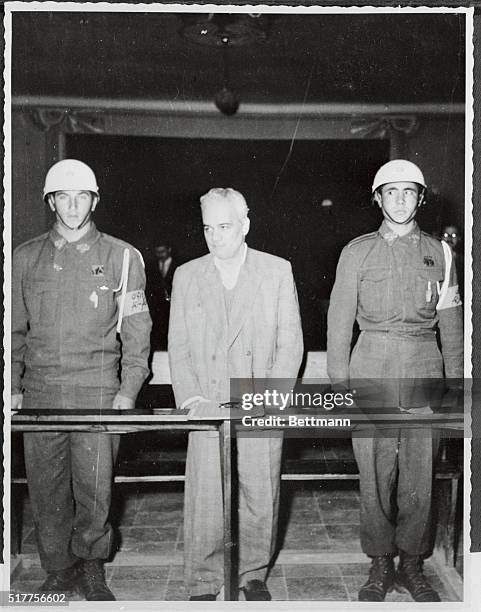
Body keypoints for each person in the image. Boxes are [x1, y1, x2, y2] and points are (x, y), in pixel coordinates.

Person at [11, 159, 152, 600]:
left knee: (94, 488)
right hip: (40, 394)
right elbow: (12, 329)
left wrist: (129, 390)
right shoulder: (24, 257)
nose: (73, 206)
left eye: (82, 197)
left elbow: (137, 330)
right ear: (51, 201)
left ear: (94, 200)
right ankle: (58, 567)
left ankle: (92, 565)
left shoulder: (122, 256)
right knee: (46, 488)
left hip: (97, 391)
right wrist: (13, 387)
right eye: (63, 197)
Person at [327, 160, 463, 602]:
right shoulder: (356, 252)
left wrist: (457, 384)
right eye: (391, 192)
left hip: (424, 365)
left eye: (409, 192)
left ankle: (412, 563)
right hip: (371, 365)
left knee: (420, 472)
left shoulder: (440, 252)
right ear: (377, 198)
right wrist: (339, 382)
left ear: (421, 198)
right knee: (375, 471)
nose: (401, 200)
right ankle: (380, 562)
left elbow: (452, 324)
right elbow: (338, 322)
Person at [168, 187, 303, 601]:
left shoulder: (276, 270)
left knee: (260, 491)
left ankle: (252, 574)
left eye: (224, 227)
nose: (215, 237)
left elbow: (291, 342)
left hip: (259, 399)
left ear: (245, 225)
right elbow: (179, 345)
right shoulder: (188, 274)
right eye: (208, 228)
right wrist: (191, 399)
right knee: (206, 495)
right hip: (208, 401)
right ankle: (205, 580)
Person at [146, 243, 176, 350]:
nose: (160, 255)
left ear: (169, 249)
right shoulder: (151, 266)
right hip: (158, 308)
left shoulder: (178, 265)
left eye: (162, 252)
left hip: (174, 307)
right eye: (158, 253)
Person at [441, 224, 464, 299]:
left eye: (454, 235)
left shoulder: (463, 261)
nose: (449, 238)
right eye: (446, 235)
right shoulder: (437, 259)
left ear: (459, 238)